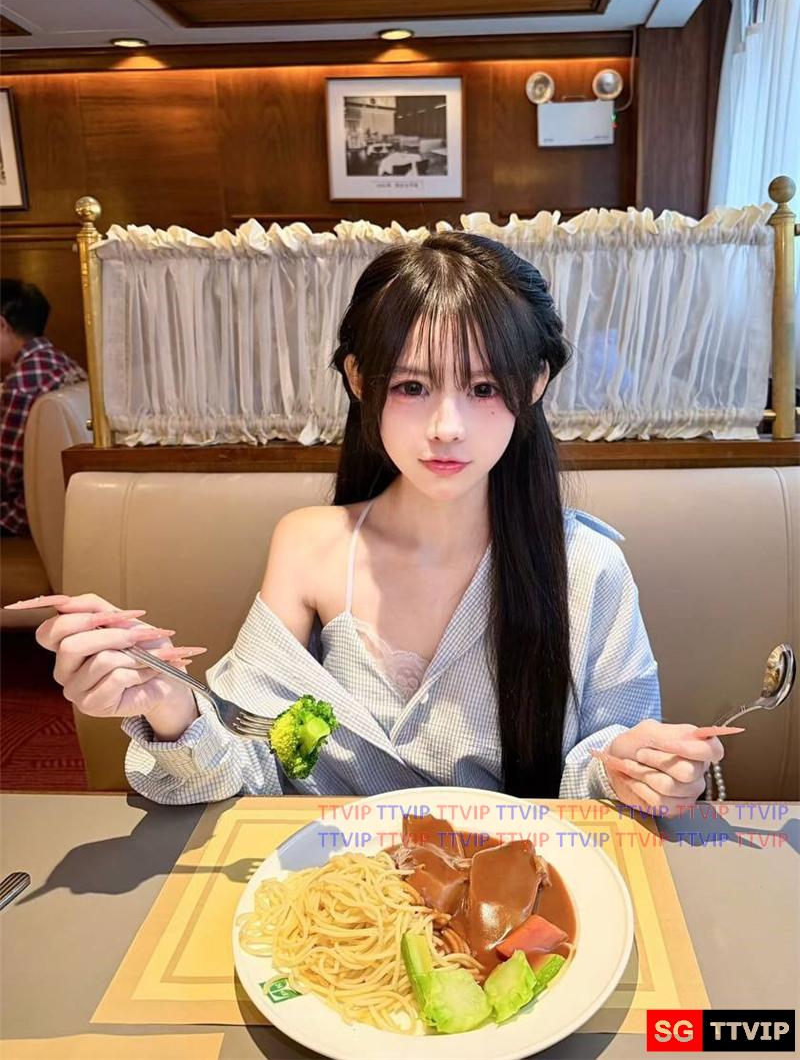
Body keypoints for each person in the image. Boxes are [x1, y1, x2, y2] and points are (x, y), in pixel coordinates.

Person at [5, 233, 736, 809]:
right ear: (361, 380)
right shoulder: (311, 546)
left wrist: (637, 771)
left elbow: (608, 759)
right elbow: (251, 761)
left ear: (535, 383)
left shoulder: (586, 566)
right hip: (333, 904)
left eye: (485, 387)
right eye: (413, 386)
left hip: (516, 908)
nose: (447, 427)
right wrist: (170, 706)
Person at [1, 279, 88, 536]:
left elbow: (5, 476)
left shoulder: (21, 383)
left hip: (25, 512)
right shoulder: (62, 362)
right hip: (68, 497)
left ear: (2, 325)